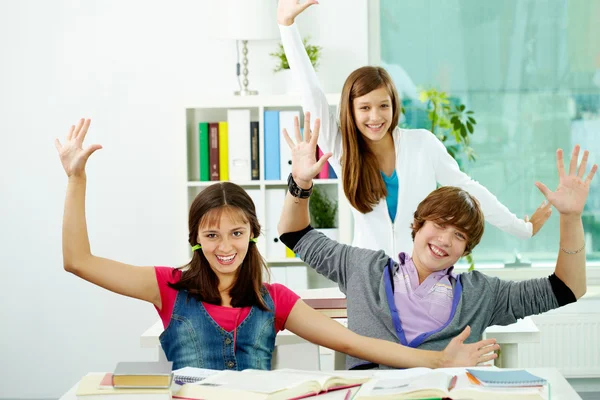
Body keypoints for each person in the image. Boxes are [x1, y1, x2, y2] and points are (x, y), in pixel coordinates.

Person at [54, 118, 499, 371]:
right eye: (211, 235)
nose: (224, 246)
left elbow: (359, 344)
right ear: (195, 241)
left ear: (252, 233)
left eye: (236, 232)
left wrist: (439, 360)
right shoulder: (167, 287)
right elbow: (77, 261)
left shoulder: (275, 300)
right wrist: (77, 179)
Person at [278, 114, 597, 370]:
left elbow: (568, 288)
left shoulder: (481, 294)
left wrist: (569, 218)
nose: (445, 239)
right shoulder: (363, 269)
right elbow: (295, 235)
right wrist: (302, 181)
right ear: (417, 225)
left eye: (459, 235)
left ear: (466, 249)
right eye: (440, 225)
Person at [276, 0, 552, 258]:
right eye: (365, 108)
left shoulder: (422, 144)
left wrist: (521, 229)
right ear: (351, 110)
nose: (375, 117)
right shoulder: (342, 149)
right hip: (367, 281)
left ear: (394, 106)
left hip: (420, 279)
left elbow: (468, 189)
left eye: (384, 106)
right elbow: (311, 93)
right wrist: (286, 25)